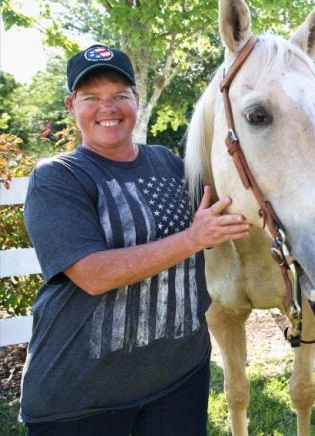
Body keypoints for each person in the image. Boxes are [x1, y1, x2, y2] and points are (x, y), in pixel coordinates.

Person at [20, 44, 252, 435]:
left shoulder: (167, 162)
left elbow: (217, 223)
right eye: (91, 97)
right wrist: (192, 239)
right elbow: (92, 274)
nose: (107, 108)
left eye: (119, 96)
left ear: (137, 100)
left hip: (179, 380)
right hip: (82, 396)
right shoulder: (58, 178)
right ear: (70, 105)